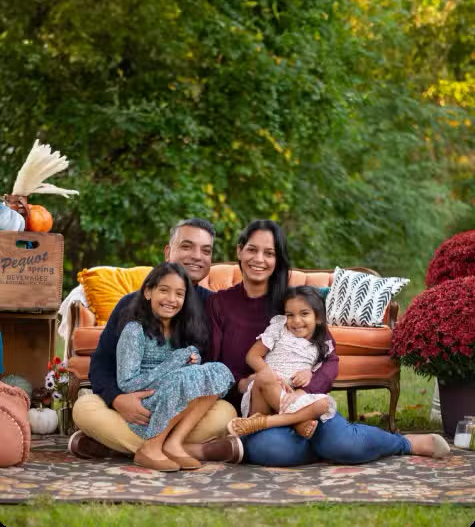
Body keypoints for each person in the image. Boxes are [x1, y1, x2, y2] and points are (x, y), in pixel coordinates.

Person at [192, 219, 450, 466]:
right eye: (252, 250)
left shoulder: (296, 304)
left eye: (269, 253)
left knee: (344, 445)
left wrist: (307, 389)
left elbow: (330, 358)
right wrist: (243, 382)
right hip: (259, 410)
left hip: (304, 401)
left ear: (278, 259)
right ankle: (327, 446)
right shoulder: (219, 304)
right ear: (239, 251)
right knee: (270, 450)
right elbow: (214, 361)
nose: (259, 259)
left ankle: (402, 443)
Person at [69, 218, 238, 460]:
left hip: (185, 411)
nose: (197, 256)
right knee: (85, 409)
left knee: (225, 412)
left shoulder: (215, 308)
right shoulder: (131, 305)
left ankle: (117, 446)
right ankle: (175, 448)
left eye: (206, 250)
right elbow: (101, 365)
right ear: (168, 252)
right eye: (187, 246)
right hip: (136, 406)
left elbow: (211, 376)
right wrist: (118, 400)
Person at [116, 262, 234, 471]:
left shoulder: (182, 329)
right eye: (164, 290)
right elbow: (127, 384)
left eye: (179, 294)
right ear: (148, 292)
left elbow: (187, 371)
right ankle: (150, 447)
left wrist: (192, 361)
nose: (172, 299)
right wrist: (176, 362)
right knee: (183, 377)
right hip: (147, 401)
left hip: (176, 396)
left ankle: (173, 443)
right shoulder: (135, 330)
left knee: (218, 370)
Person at [227, 285, 337, 439]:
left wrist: (309, 373)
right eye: (290, 315)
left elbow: (323, 369)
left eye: (304, 314)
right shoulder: (279, 329)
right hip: (264, 392)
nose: (296, 321)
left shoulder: (321, 344)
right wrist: (272, 376)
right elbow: (252, 356)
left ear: (318, 318)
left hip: (289, 397)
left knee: (325, 404)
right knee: (264, 376)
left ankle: (262, 422)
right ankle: (297, 422)